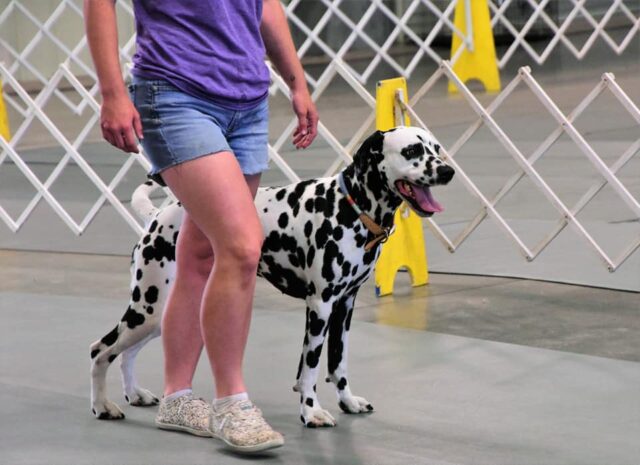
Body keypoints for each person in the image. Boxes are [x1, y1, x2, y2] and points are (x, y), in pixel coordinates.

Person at [84, 0, 318, 453]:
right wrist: (112, 92)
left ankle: (176, 394)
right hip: (174, 94)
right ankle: (232, 401)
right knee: (243, 245)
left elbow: (265, 6)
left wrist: (297, 83)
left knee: (202, 251)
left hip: (248, 101)